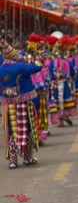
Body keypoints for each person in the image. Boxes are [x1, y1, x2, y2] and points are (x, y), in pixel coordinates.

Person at [0, 39, 41, 169]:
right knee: (26, 128)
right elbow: (37, 67)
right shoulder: (20, 66)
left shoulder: (1, 68)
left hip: (8, 105)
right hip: (23, 103)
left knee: (11, 131)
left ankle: (13, 160)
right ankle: (27, 157)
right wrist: (38, 56)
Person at [49, 36, 78, 127]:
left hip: (56, 85)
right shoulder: (67, 62)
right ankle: (66, 116)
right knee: (66, 100)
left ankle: (61, 120)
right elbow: (73, 73)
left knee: (58, 101)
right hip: (65, 84)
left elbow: (50, 74)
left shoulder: (52, 62)